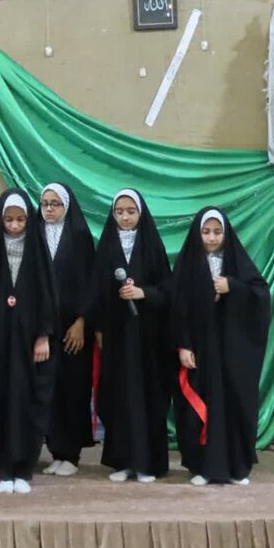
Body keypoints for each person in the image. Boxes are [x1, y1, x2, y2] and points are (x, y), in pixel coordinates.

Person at [170, 208, 271, 486]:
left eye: (217, 232)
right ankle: (203, 467)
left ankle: (236, 468)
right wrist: (184, 346)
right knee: (200, 408)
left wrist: (232, 286)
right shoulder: (188, 267)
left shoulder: (238, 264)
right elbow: (177, 309)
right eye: (206, 232)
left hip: (232, 353)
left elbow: (261, 296)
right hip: (200, 353)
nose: (212, 238)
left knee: (233, 405)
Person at [0, 190, 57, 494]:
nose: (15, 225)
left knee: (26, 402)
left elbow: (47, 294)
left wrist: (43, 334)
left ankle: (24, 468)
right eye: (9, 219)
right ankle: (4, 469)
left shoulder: (37, 249)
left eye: (20, 220)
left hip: (29, 344)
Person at [87, 189, 172, 483]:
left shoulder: (152, 246)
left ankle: (147, 464)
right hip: (116, 337)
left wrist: (142, 293)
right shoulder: (107, 246)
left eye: (131, 212)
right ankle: (122, 461)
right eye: (119, 212)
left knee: (146, 397)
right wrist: (99, 328)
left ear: (141, 213)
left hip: (148, 339)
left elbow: (167, 291)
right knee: (118, 396)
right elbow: (96, 291)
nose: (125, 217)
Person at [36, 183, 96, 477]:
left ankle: (71, 454)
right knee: (48, 390)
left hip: (73, 329)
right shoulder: (35, 234)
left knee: (72, 390)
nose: (49, 209)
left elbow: (91, 283)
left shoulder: (81, 236)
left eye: (55, 204)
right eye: (45, 204)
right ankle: (55, 451)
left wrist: (82, 321)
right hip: (44, 329)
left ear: (67, 206)